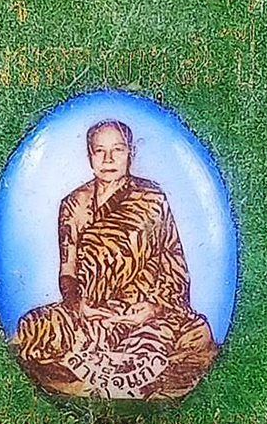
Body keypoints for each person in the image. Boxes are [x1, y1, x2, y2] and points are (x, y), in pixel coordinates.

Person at [13, 119, 217, 399]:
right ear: (90, 155)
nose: (108, 159)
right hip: (92, 312)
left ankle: (121, 370)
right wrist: (78, 304)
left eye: (117, 150)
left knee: (190, 334)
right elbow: (68, 271)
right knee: (33, 327)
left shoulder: (152, 200)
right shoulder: (74, 204)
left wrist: (154, 308)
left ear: (130, 152)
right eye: (100, 151)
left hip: (142, 312)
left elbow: (174, 265)